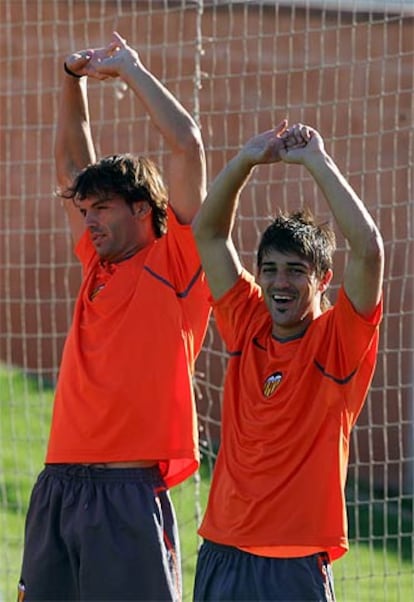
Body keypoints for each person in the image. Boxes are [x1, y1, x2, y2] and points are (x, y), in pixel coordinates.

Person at [18, 31, 210, 602]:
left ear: (143, 210)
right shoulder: (95, 267)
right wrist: (70, 79)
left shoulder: (175, 260)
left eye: (101, 208)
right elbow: (73, 167)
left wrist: (131, 69)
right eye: (85, 211)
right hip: (59, 483)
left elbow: (188, 147)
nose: (89, 220)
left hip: (126, 490)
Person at [192, 120, 384, 601]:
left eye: (296, 271)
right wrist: (243, 163)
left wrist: (317, 161)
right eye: (271, 269)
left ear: (322, 278)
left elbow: (369, 250)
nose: (280, 283)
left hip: (293, 563)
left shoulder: (337, 342)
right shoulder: (247, 322)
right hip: (223, 551)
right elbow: (210, 234)